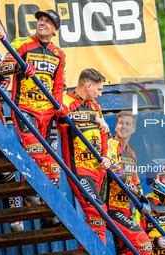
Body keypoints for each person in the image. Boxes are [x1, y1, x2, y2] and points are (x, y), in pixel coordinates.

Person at [0, 9, 66, 222]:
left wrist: (60, 107)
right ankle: (29, 193)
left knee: (53, 164)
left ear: (54, 30)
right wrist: (20, 65)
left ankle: (48, 211)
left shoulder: (59, 54)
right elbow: (3, 67)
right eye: (40, 20)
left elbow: (59, 85)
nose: (42, 23)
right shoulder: (22, 43)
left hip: (48, 113)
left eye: (48, 22)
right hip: (25, 108)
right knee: (35, 151)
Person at [57, 68, 111, 244]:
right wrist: (92, 118)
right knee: (97, 210)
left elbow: (105, 134)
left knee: (99, 217)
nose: (100, 94)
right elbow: (62, 118)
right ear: (88, 86)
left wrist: (107, 157)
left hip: (99, 170)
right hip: (79, 167)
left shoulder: (96, 107)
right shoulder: (66, 100)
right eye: (99, 89)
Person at [107, 111, 152, 254]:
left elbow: (135, 180)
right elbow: (118, 174)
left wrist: (142, 199)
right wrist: (137, 194)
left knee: (125, 251)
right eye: (120, 123)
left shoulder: (132, 153)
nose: (123, 127)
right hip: (110, 208)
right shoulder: (109, 145)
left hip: (125, 210)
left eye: (128, 124)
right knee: (144, 244)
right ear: (115, 126)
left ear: (133, 129)